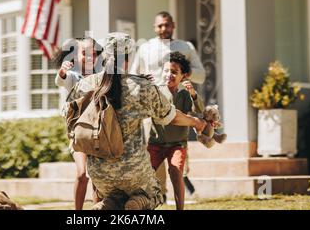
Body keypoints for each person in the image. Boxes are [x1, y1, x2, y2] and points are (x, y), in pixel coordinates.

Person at [66, 32, 208, 210]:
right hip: (135, 174)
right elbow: (171, 117)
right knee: (154, 193)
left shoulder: (85, 84)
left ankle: (108, 203)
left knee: (112, 195)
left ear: (104, 56)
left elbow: (69, 119)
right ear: (129, 57)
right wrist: (196, 122)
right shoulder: (141, 86)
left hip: (100, 174)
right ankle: (138, 201)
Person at [130, 11, 206, 199]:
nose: (164, 29)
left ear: (173, 25)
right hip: (152, 107)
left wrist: (182, 73)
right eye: (160, 25)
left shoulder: (185, 47)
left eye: (167, 25)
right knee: (152, 149)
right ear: (154, 27)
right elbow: (132, 77)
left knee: (176, 152)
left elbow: (201, 75)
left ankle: (180, 186)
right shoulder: (145, 48)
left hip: (177, 104)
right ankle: (160, 194)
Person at [147, 52, 204, 210]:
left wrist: (193, 93)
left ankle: (180, 208)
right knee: (146, 175)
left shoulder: (185, 94)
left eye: (174, 72)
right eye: (166, 71)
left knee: (175, 171)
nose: (169, 75)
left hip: (177, 144)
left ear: (183, 76)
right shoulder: (156, 91)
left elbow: (200, 110)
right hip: (155, 144)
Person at [53, 37, 102, 210]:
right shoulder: (73, 77)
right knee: (82, 175)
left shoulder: (100, 77)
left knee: (98, 178)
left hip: (98, 134)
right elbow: (61, 81)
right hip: (78, 135)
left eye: (93, 53)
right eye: (85, 53)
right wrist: (62, 72)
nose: (90, 57)